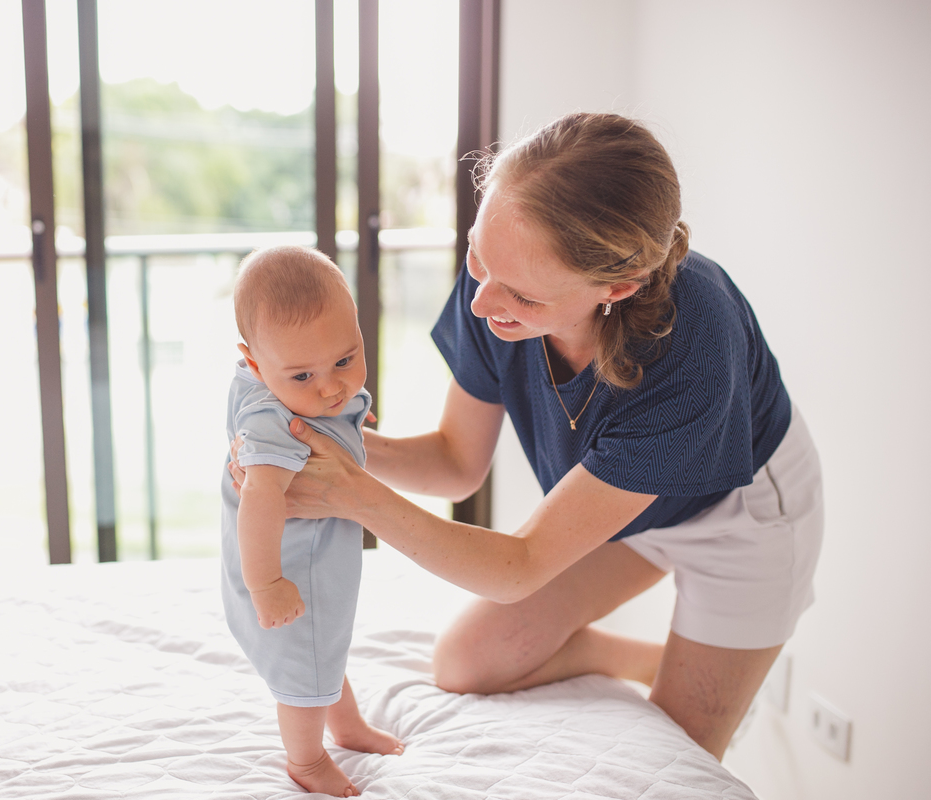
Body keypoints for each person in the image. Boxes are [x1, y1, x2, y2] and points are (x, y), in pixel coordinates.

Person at [229, 113, 823, 761]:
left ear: (616, 290)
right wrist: (326, 447)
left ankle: (711, 667)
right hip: (622, 502)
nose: (482, 305)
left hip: (737, 516)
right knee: (464, 663)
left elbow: (522, 567)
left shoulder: (695, 350)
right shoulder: (502, 274)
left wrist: (354, 496)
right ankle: (643, 657)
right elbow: (458, 463)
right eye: (478, 258)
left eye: (521, 297)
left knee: (674, 755)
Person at [221, 245, 403, 797]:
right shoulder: (273, 424)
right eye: (303, 375)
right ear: (255, 364)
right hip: (286, 568)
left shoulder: (293, 386)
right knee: (305, 668)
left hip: (316, 557)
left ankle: (345, 724)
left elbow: (330, 389)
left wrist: (347, 415)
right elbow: (258, 500)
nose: (329, 388)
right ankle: (305, 759)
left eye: (345, 360)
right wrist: (266, 584)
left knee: (326, 642)